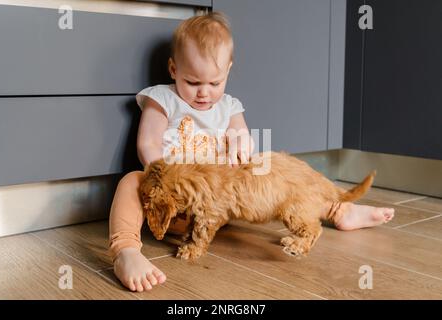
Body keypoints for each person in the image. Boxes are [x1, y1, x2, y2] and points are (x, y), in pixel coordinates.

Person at [108, 12, 394, 292]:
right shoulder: (164, 99)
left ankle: (337, 209)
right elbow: (147, 143)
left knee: (276, 181)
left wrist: (241, 145)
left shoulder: (229, 106)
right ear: (173, 70)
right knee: (132, 181)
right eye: (192, 82)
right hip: (174, 201)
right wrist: (160, 172)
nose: (203, 92)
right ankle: (127, 250)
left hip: (224, 200)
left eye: (214, 83)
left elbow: (242, 136)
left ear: (228, 71)